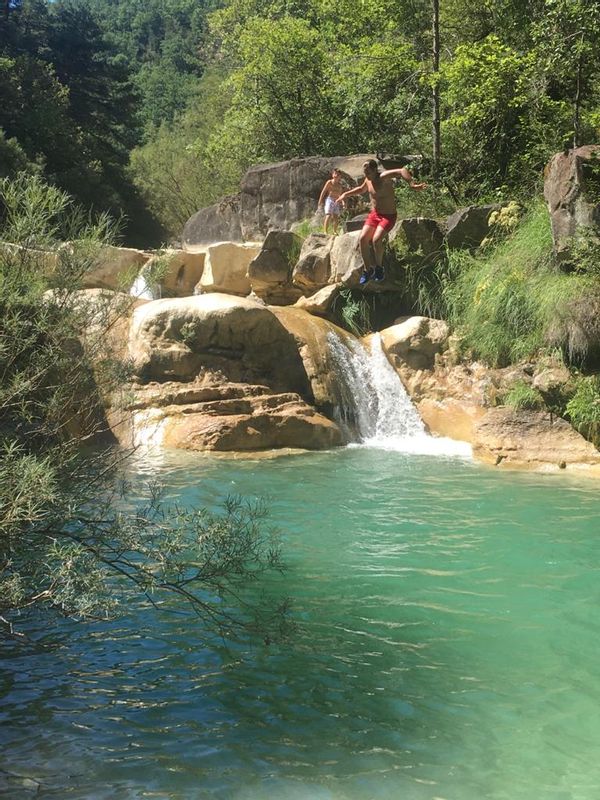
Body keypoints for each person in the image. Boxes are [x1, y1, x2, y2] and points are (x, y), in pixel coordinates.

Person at [337, 159, 427, 284]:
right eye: (365, 173)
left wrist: (411, 184)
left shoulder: (383, 177)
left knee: (376, 240)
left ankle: (379, 268)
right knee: (363, 239)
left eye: (368, 172)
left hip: (388, 216)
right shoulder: (368, 180)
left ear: (375, 170)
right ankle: (368, 270)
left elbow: (402, 170)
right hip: (375, 215)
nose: (366, 175)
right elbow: (361, 189)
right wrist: (345, 194)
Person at [317, 168, 345, 234]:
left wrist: (343, 202)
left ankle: (334, 231)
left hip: (337, 201)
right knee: (328, 215)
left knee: (336, 217)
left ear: (340, 177)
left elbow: (340, 195)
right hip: (330, 199)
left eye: (338, 175)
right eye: (335, 174)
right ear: (332, 175)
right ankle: (325, 231)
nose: (336, 175)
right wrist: (320, 200)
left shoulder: (340, 185)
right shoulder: (329, 182)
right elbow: (324, 191)